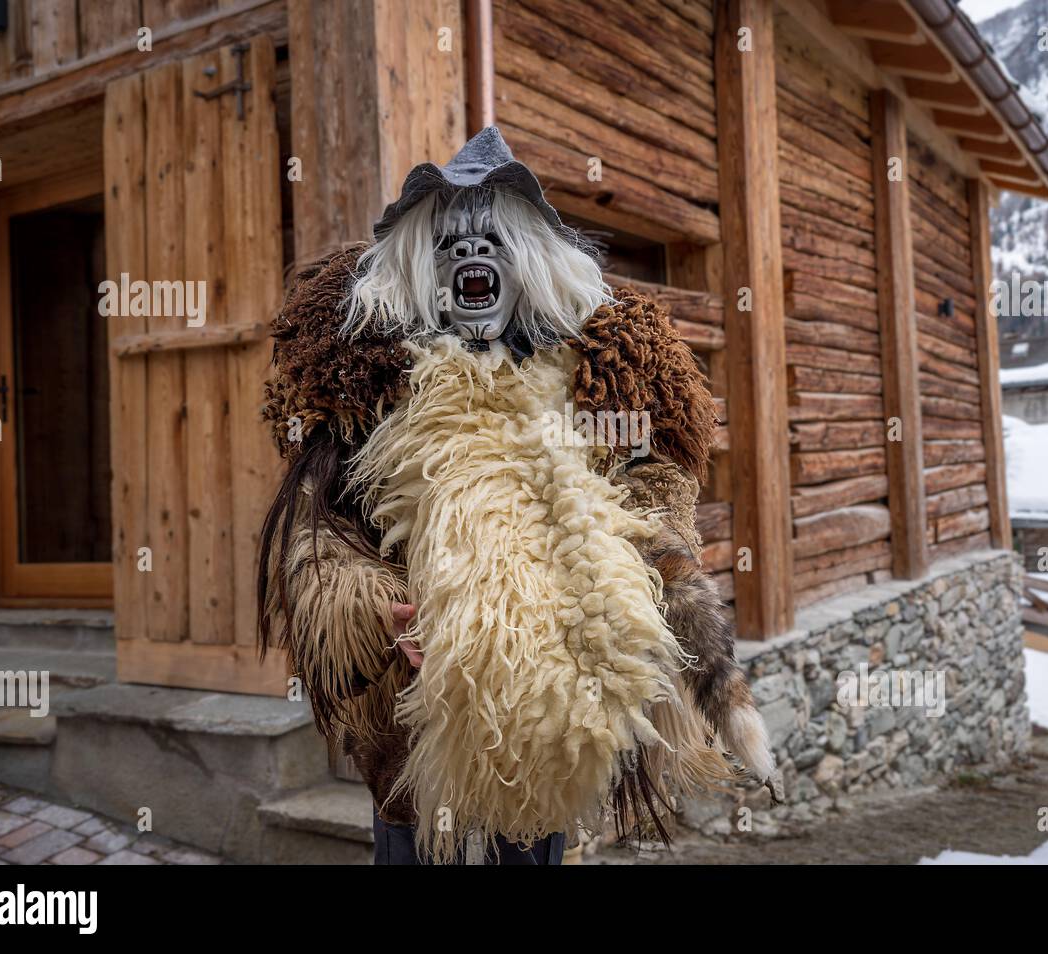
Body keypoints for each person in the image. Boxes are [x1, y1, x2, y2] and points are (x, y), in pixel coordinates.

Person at [258, 128, 777, 865]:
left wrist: (664, 606)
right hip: (418, 711)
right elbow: (314, 539)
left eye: (491, 242)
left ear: (528, 259)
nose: (472, 256)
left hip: (551, 708)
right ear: (418, 268)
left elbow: (653, 504)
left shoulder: (593, 383)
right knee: (411, 844)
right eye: (450, 245)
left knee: (532, 843)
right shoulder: (369, 389)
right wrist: (377, 614)